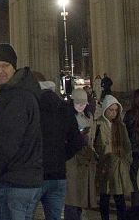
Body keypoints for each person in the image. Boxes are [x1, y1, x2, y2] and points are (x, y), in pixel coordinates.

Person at [0, 43, 43, 220]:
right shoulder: (17, 93)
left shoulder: (17, 97)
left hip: (13, 182)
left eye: (5, 66)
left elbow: (7, 142)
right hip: (23, 179)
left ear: (14, 68)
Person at [33, 71, 83, 220]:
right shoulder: (64, 107)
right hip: (58, 174)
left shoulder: (30, 106)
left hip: (34, 174)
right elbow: (77, 142)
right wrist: (61, 155)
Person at [95, 94, 133, 220]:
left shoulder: (120, 126)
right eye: (111, 110)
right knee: (104, 196)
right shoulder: (98, 124)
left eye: (116, 110)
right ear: (105, 109)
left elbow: (127, 144)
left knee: (119, 197)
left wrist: (127, 161)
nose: (113, 113)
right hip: (104, 165)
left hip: (118, 165)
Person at [65, 88, 96, 220]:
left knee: (82, 196)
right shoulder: (66, 116)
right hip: (72, 158)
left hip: (86, 158)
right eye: (78, 103)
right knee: (72, 196)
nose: (81, 106)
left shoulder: (89, 116)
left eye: (83, 103)